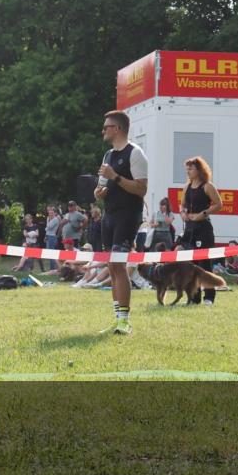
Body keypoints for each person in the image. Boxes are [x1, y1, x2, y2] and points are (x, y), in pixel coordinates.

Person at [94, 109, 148, 335]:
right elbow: (101, 187)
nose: (103, 130)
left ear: (117, 129)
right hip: (110, 215)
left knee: (119, 265)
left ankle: (125, 320)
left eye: (107, 126)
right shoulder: (107, 155)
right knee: (111, 266)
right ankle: (117, 318)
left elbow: (141, 188)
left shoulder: (135, 153)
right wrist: (100, 192)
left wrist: (115, 176)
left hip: (128, 215)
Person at [179, 156, 223, 304]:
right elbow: (182, 205)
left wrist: (202, 214)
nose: (188, 171)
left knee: (204, 264)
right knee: (190, 265)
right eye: (187, 168)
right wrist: (183, 213)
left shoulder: (207, 186)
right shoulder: (186, 187)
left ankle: (209, 297)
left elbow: (218, 204)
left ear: (199, 170)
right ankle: (194, 297)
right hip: (189, 230)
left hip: (203, 229)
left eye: (191, 168)